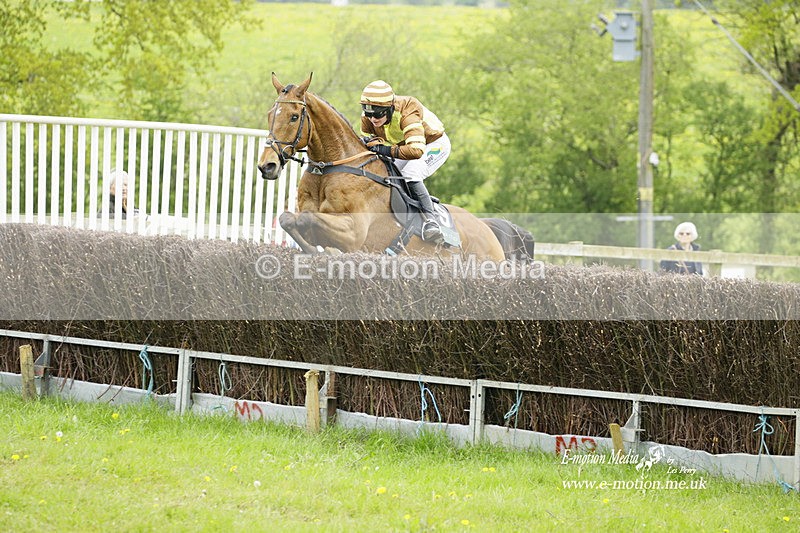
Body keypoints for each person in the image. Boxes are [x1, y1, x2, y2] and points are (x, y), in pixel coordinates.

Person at [359, 80, 449, 244]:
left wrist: (384, 149)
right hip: (403, 146)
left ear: (389, 108)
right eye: (368, 113)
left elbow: (416, 151)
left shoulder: (408, 110)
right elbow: (371, 145)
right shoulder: (368, 118)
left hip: (432, 144)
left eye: (377, 114)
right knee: (385, 173)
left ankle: (431, 221)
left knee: (410, 174)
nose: (372, 119)